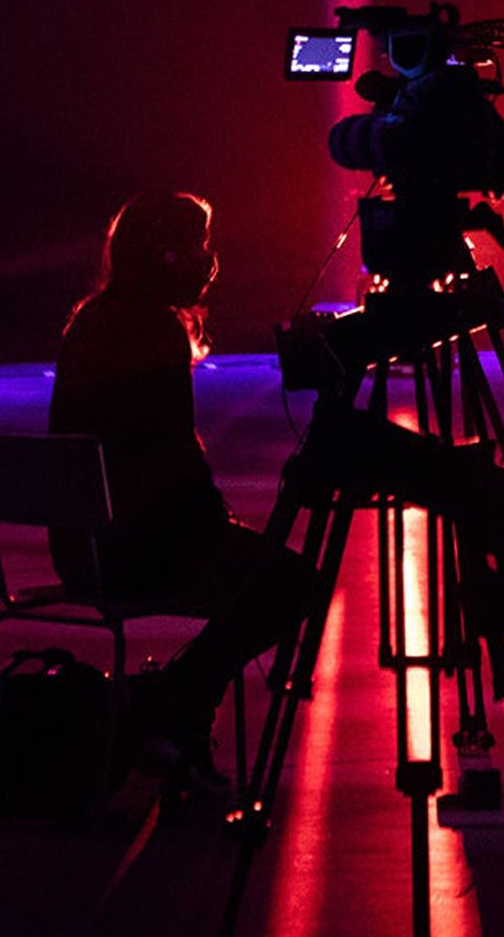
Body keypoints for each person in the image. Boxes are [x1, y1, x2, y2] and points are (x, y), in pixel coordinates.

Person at [49, 191, 309, 784]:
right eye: (198, 247)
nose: (209, 262)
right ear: (166, 256)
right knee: (290, 581)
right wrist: (221, 529)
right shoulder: (154, 332)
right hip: (131, 551)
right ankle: (174, 699)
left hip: (81, 548)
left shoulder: (90, 320)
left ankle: (176, 702)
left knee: (260, 570)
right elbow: (173, 464)